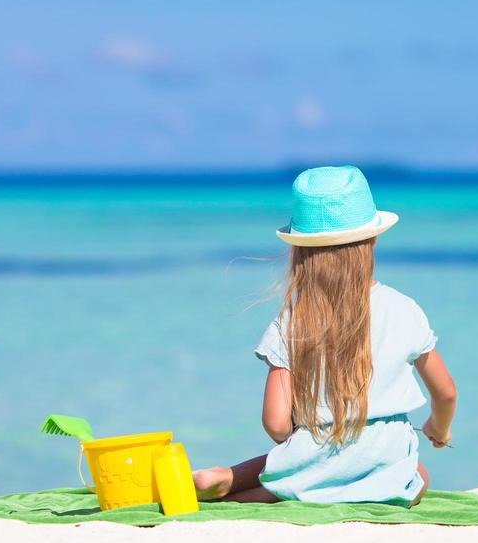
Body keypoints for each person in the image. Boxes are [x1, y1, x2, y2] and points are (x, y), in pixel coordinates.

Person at [193, 165, 456, 504]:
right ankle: (322, 484)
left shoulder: (293, 321)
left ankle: (228, 479)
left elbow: (276, 425)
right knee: (419, 476)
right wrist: (439, 426)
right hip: (385, 459)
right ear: (373, 238)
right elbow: (446, 392)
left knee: (296, 471)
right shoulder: (404, 309)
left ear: (299, 249)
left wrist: (304, 432)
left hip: (314, 455)